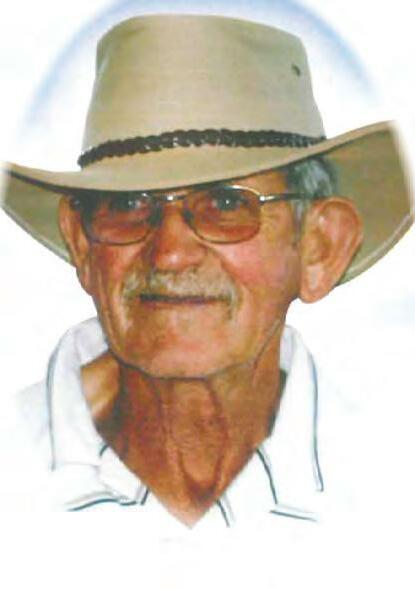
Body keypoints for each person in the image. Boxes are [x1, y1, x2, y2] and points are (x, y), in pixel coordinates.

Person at [1, 14, 412, 526]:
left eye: (225, 203)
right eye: (128, 204)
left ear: (318, 249)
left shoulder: (393, 479)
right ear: (82, 243)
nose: (170, 253)